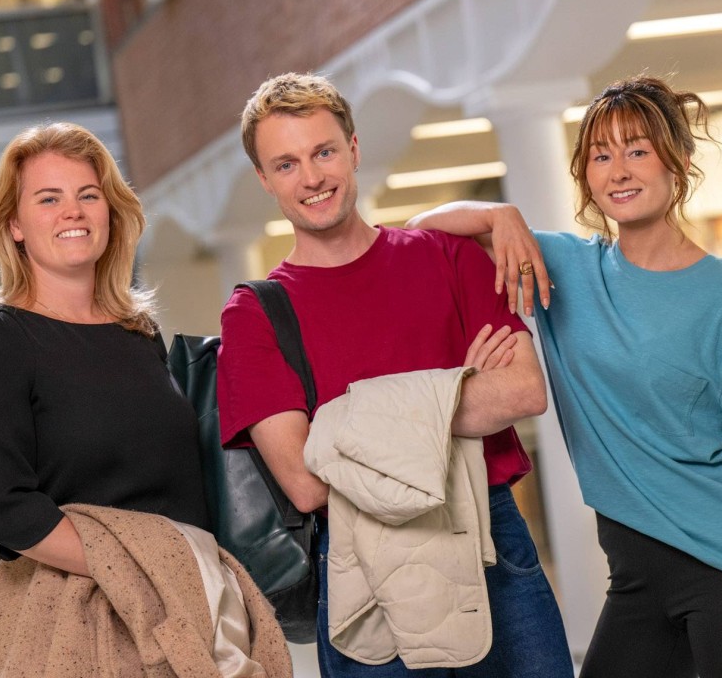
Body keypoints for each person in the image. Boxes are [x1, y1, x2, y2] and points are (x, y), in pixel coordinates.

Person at [408, 75, 722, 678]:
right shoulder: (560, 269)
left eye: (638, 150)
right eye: (601, 155)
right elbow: (418, 233)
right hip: (634, 578)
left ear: (678, 161)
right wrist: (499, 213)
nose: (619, 171)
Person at [217, 72, 574, 677]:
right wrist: (454, 389)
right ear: (264, 179)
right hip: (364, 565)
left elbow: (524, 390)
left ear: (354, 150)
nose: (311, 177)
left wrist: (345, 425)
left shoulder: (446, 254)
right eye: (286, 163)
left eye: (324, 152)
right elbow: (306, 481)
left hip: (491, 545)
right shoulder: (255, 313)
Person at [0, 123, 291, 674]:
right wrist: (141, 569)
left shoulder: (139, 333)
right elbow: (2, 508)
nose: (73, 212)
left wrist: (178, 575)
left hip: (185, 598)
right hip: (78, 613)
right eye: (48, 198)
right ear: (14, 224)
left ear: (111, 211)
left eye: (88, 195)